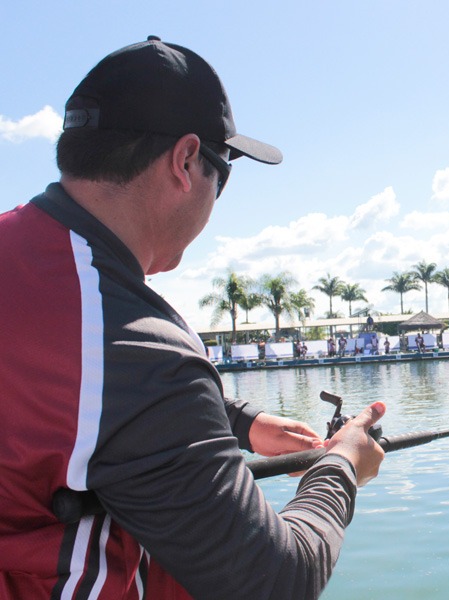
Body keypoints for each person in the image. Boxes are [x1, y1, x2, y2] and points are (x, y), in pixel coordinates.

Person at [0, 37, 385, 600]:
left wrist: (238, 423)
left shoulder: (32, 273)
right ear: (184, 162)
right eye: (222, 172)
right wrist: (344, 466)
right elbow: (278, 580)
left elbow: (65, 394)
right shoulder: (128, 340)